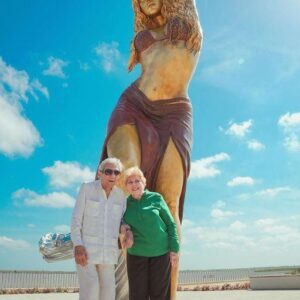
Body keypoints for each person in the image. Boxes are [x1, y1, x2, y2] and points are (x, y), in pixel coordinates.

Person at [96, 0, 203, 298]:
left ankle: (168, 293)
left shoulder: (188, 25)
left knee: (169, 201)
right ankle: (120, 290)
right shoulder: (140, 35)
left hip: (176, 113)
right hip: (133, 106)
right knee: (121, 182)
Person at [71, 157, 128, 300]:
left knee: (108, 294)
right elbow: (76, 219)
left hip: (109, 252)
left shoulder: (121, 196)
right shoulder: (87, 188)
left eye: (116, 172)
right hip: (86, 250)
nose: (112, 176)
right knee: (91, 291)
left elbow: (122, 222)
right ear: (99, 173)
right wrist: (78, 245)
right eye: (108, 172)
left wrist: (127, 231)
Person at [121, 166, 179, 300]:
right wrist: (126, 229)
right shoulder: (124, 204)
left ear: (144, 183)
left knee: (159, 295)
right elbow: (118, 222)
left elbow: (170, 224)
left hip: (160, 254)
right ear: (126, 187)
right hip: (136, 256)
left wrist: (174, 249)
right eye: (130, 182)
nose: (134, 184)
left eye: (137, 181)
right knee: (137, 295)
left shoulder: (156, 198)